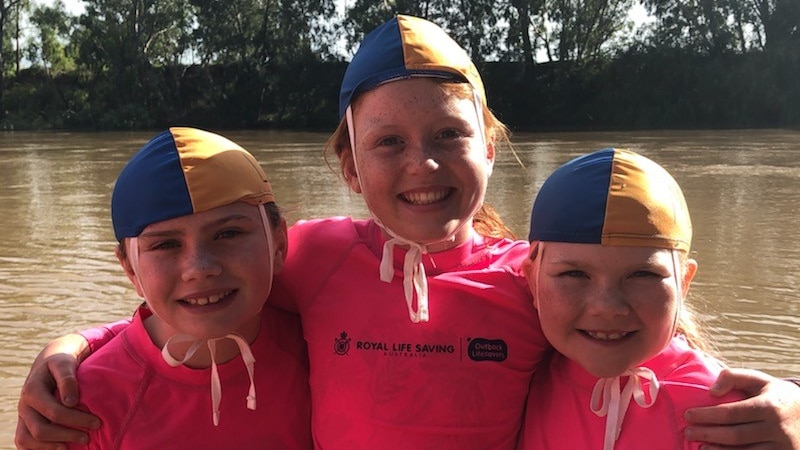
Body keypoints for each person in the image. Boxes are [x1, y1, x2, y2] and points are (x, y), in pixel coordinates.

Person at [14, 15, 800, 450]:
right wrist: (74, 345)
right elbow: (203, 292)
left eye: (450, 137)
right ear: (351, 169)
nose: (421, 164)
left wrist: (787, 401)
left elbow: (637, 328)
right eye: (388, 142)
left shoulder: (530, 276)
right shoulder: (312, 256)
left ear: (491, 148)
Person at [59, 127, 311, 449]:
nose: (200, 268)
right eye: (166, 244)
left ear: (278, 244)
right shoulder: (80, 405)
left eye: (228, 234)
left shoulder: (322, 348)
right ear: (130, 269)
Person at [516, 148, 747, 449]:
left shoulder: (720, 414)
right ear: (532, 281)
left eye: (643, 275)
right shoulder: (516, 373)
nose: (607, 307)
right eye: (574, 275)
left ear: (684, 283)